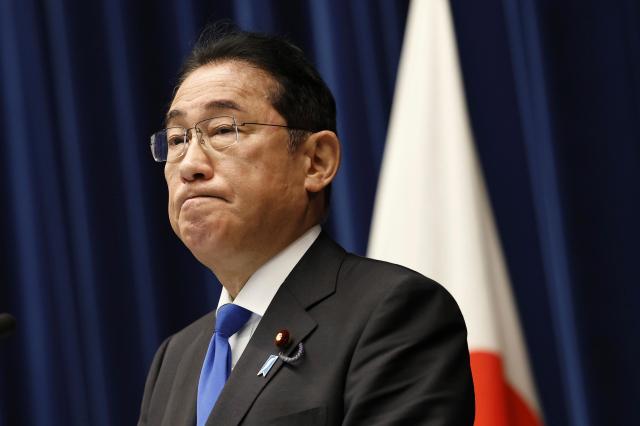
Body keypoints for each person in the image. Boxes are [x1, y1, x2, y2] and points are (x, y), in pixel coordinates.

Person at [138, 24, 474, 426]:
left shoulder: (392, 315)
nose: (190, 164)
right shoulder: (175, 360)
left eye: (223, 129)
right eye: (177, 140)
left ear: (316, 161)